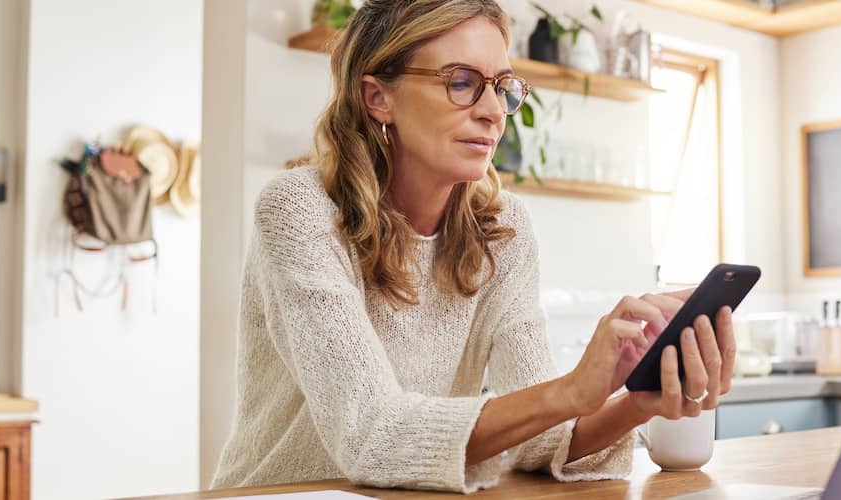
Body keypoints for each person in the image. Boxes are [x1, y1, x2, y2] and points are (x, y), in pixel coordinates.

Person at [211, 0, 736, 493]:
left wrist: (634, 401)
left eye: (502, 86)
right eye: (461, 82)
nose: (492, 111)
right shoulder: (299, 211)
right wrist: (571, 390)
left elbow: (538, 439)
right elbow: (372, 434)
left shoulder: (501, 230)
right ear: (378, 97)